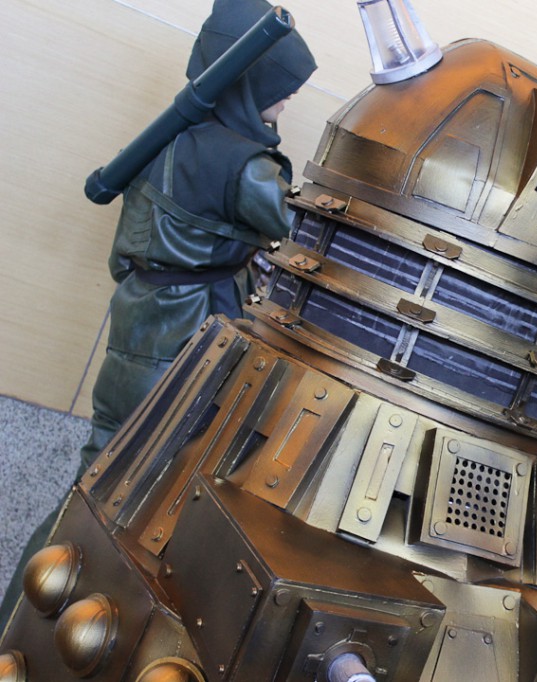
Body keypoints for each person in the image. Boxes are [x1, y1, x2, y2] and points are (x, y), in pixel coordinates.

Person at [0, 0, 316, 627]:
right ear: (250, 84)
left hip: (138, 322)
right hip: (183, 347)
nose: (287, 102)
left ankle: (17, 630)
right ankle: (30, 634)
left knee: (92, 487)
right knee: (116, 506)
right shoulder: (243, 165)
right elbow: (307, 237)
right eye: (280, 89)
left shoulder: (170, 136)